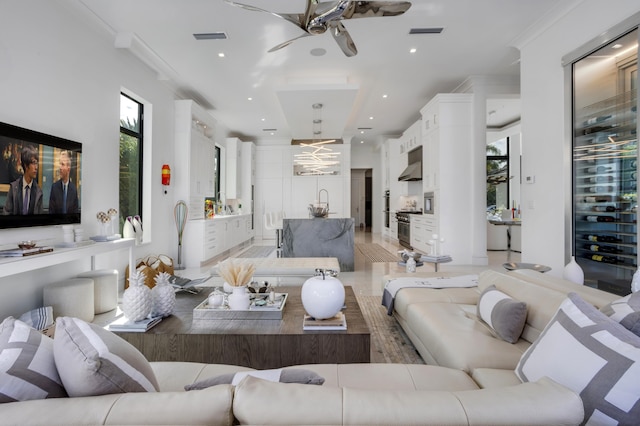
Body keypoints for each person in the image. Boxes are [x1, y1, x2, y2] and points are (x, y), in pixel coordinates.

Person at [3, 145, 43, 215]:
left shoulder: (38, 192)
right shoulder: (14, 188)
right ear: (26, 165)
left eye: (37, 163)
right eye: (33, 163)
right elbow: (7, 213)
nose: (36, 167)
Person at [48, 150, 78, 214]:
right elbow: (51, 212)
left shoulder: (74, 190)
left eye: (62, 164)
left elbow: (75, 213)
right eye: (60, 164)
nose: (60, 167)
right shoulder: (54, 187)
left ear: (68, 168)